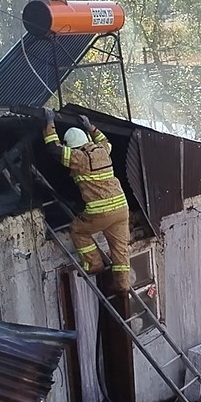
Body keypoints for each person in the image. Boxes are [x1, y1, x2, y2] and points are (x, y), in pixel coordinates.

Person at [43, 111, 131, 292]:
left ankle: (94, 264)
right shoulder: (103, 150)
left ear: (73, 146)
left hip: (100, 212)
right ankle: (122, 284)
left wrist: (49, 121)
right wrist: (90, 126)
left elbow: (53, 147)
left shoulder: (79, 158)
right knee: (120, 250)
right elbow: (105, 140)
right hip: (122, 209)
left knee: (78, 231)